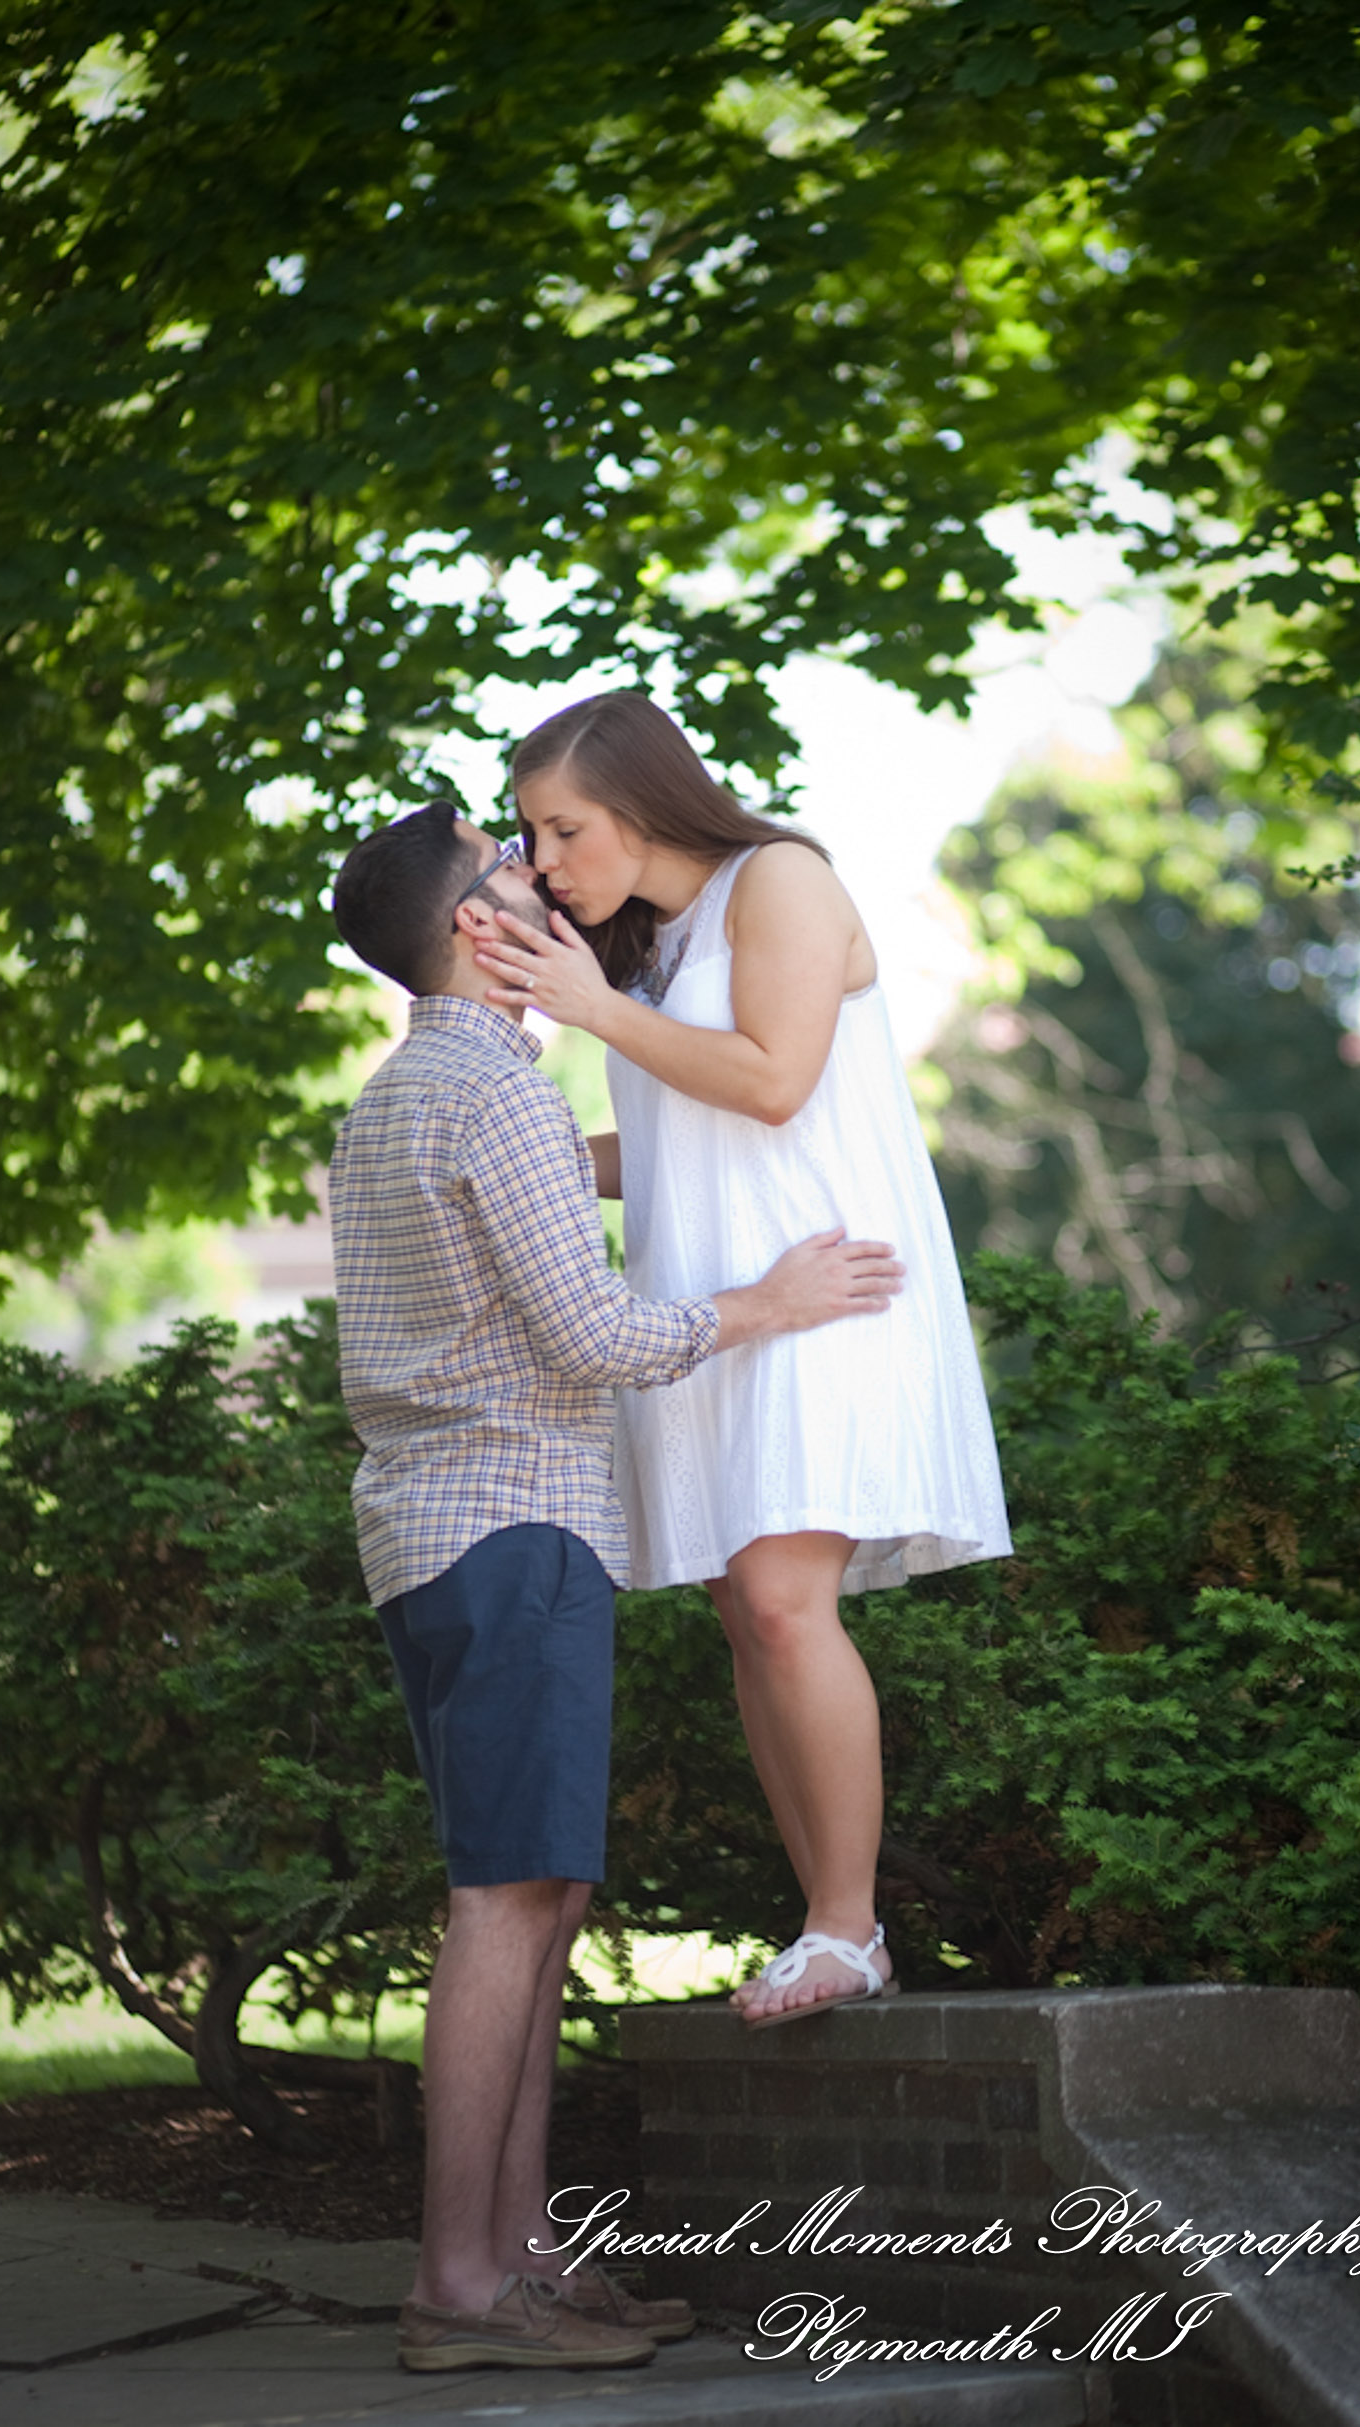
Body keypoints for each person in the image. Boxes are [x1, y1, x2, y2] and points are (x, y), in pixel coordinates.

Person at [327, 801, 902, 2374]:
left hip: (444, 1535)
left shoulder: (406, 1094)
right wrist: (768, 1303)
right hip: (511, 1528)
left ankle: (521, 2259)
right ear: (476, 930)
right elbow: (597, 1340)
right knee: (511, 1900)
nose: (544, 885)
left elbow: (533, 1239)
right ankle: (462, 2286)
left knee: (540, 1889)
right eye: (513, 875)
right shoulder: (490, 1093)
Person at [473, 693, 1012, 2028]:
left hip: (826, 1287)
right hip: (715, 1306)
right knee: (746, 1605)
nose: (541, 859)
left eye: (562, 826)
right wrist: (488, 1149)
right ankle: (829, 1923)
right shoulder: (642, 952)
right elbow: (664, 1143)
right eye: (529, 831)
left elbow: (773, 1080)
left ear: (646, 803)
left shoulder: (783, 880)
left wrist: (592, 1010)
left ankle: (847, 1927)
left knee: (780, 1596)